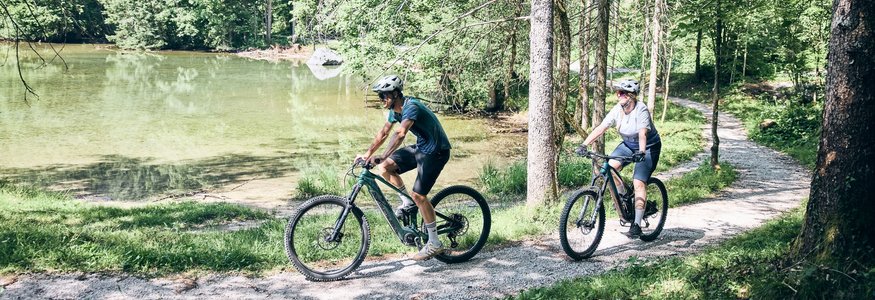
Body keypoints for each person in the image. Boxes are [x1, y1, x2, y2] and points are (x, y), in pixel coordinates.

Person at [355, 75, 452, 261]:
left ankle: (434, 243)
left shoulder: (411, 106)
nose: (382, 99)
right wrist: (368, 154)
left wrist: (382, 154)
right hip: (423, 147)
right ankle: (407, 203)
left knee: (418, 195)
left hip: (437, 151)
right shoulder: (395, 110)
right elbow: (384, 133)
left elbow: (400, 133)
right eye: (380, 96)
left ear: (396, 94)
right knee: (385, 167)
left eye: (384, 96)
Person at [576, 78, 662, 238]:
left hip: (648, 147)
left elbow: (643, 133)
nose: (619, 95)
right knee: (608, 168)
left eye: (622, 93)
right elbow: (602, 127)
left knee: (639, 182)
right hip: (629, 146)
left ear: (632, 95)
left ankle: (636, 224)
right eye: (618, 92)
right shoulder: (617, 109)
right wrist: (584, 144)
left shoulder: (641, 109)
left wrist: (642, 152)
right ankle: (624, 196)